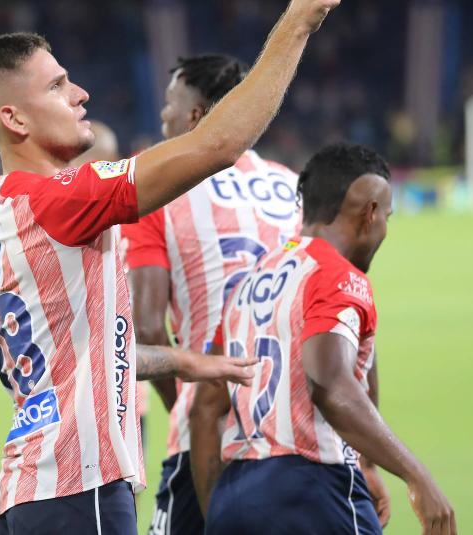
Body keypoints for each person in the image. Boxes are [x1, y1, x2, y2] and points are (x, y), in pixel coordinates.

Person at [0, 1, 339, 532]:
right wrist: (299, 21)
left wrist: (184, 361)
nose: (80, 94)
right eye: (57, 86)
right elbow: (216, 145)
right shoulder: (59, 200)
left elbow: (84, 356)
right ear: (14, 118)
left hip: (29, 488)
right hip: (80, 484)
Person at [189, 144, 455, 535]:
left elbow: (204, 411)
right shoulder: (337, 276)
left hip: (235, 496)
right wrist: (418, 477)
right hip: (313, 489)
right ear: (370, 214)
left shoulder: (248, 284)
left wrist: (220, 511)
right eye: (387, 217)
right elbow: (330, 385)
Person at [121, 54, 304, 535]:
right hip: (294, 424)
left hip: (210, 427)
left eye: (169, 104)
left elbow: (146, 327)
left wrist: (184, 405)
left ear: (195, 116)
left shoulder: (155, 193)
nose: (162, 115)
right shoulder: (293, 186)